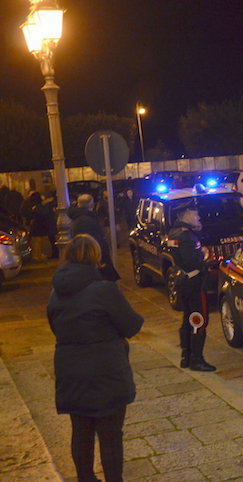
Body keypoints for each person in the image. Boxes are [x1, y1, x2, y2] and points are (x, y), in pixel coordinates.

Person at [47, 234, 143, 482]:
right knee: (110, 434)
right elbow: (131, 325)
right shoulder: (103, 290)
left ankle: (85, 478)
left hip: (70, 371)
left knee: (81, 431)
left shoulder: (55, 294)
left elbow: (56, 327)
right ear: (95, 258)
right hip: (105, 372)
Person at [168, 203, 216, 372]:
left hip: (183, 282)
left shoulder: (174, 233)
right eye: (196, 215)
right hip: (195, 282)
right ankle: (197, 359)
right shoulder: (187, 237)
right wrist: (205, 259)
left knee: (187, 318)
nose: (198, 218)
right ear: (186, 215)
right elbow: (191, 261)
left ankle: (186, 356)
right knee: (199, 320)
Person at [68, 193, 120, 282]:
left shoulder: (77, 218)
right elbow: (97, 241)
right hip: (92, 260)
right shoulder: (87, 220)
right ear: (91, 205)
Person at [26, 191, 50, 261]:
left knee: (37, 240)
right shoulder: (38, 206)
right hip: (39, 224)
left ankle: (37, 254)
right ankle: (37, 255)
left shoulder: (33, 205)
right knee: (38, 240)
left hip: (36, 224)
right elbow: (42, 213)